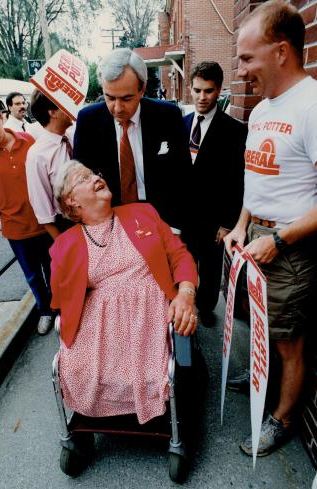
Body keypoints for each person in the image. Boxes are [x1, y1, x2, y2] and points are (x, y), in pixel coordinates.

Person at [224, 0, 317, 457]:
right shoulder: (261, 110)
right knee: (262, 329)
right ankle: (261, 378)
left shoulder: (313, 106)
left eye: (246, 57)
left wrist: (277, 241)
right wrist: (242, 226)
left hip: (289, 248)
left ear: (282, 52)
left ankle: (281, 420)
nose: (239, 70)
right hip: (255, 240)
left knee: (288, 342)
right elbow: (255, 178)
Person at [50, 160, 198, 424]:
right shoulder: (64, 245)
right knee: (77, 369)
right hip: (101, 323)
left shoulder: (143, 213)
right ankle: (91, 419)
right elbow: (61, 299)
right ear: (71, 201)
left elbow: (179, 255)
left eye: (94, 172)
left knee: (152, 371)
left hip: (150, 312)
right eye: (84, 178)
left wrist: (186, 292)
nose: (95, 177)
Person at [73, 48, 192, 233]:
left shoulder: (168, 116)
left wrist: (176, 227)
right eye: (110, 97)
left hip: (161, 220)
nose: (118, 108)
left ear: (142, 88)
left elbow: (183, 176)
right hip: (110, 220)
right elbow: (80, 181)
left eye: (126, 98)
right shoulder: (88, 121)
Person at [183, 61, 247, 327]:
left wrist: (227, 223)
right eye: (197, 90)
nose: (201, 97)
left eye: (208, 91)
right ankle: (185, 307)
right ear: (191, 88)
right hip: (185, 215)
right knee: (184, 263)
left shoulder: (234, 130)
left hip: (214, 219)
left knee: (209, 269)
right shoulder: (181, 123)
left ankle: (207, 308)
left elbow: (236, 181)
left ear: (219, 90)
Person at [0, 99, 54, 335]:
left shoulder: (29, 141)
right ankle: (45, 311)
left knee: (53, 269)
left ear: (2, 118)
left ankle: (59, 307)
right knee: (33, 276)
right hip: (15, 228)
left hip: (45, 222)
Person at [26, 89, 74, 240]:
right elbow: (43, 210)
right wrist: (62, 244)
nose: (71, 107)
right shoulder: (37, 155)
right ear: (52, 112)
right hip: (67, 224)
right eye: (65, 104)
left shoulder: (73, 135)